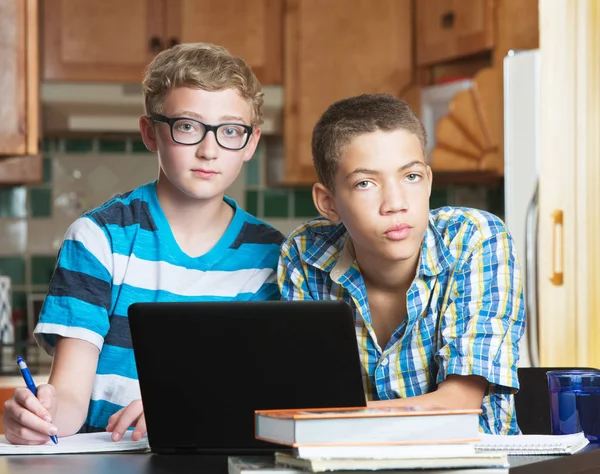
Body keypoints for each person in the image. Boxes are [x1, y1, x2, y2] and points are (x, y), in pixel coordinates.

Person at [3, 43, 284, 445]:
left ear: (251, 142)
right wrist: (39, 417)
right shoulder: (99, 240)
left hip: (216, 457)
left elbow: (265, 394)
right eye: (187, 126)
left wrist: (185, 406)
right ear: (151, 133)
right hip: (107, 457)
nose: (209, 150)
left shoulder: (273, 256)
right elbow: (67, 398)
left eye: (230, 131)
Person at [278, 93, 525, 435]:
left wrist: (330, 419)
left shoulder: (475, 239)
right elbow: (310, 397)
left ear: (428, 181)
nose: (395, 203)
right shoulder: (305, 254)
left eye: (410, 177)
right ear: (328, 202)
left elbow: (458, 405)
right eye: (365, 183)